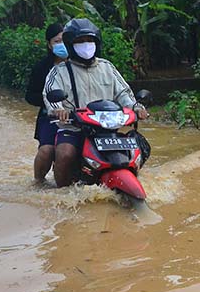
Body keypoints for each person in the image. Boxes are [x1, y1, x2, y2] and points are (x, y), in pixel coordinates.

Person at [43, 18, 148, 188]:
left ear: (96, 43)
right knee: (65, 153)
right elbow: (50, 94)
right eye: (80, 41)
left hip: (107, 129)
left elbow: (123, 93)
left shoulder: (107, 67)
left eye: (89, 40)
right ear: (71, 44)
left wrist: (137, 107)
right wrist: (58, 109)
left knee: (135, 151)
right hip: (75, 129)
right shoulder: (60, 71)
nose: (86, 45)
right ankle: (62, 192)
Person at [25, 23, 67, 184]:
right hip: (50, 117)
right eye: (57, 41)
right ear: (49, 45)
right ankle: (38, 181)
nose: (61, 44)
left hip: (79, 115)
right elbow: (29, 96)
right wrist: (51, 103)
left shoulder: (79, 65)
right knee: (46, 150)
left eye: (64, 40)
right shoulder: (42, 68)